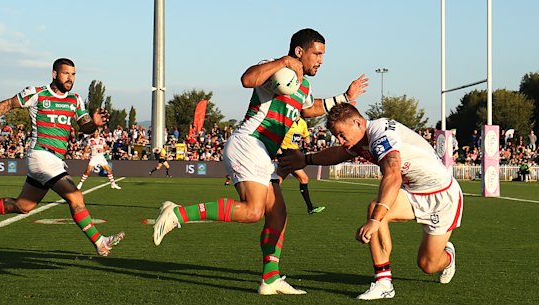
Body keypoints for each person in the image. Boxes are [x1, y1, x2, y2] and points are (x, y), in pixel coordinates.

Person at [152, 28, 368, 295]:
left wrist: (345, 97)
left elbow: (309, 108)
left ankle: (270, 278)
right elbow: (247, 79)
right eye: (317, 53)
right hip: (249, 142)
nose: (321, 60)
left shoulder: (304, 85)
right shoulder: (277, 70)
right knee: (253, 211)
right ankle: (177, 214)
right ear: (300, 51)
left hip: (264, 152)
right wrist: (283, 62)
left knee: (278, 214)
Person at [279, 103, 463, 300]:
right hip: (413, 192)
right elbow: (339, 154)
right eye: (336, 136)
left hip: (442, 197)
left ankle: (449, 256)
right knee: (375, 208)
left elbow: (393, 175)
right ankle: (384, 282)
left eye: (342, 134)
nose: (340, 140)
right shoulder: (360, 138)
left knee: (428, 265)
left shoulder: (381, 136)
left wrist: (375, 221)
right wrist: (307, 159)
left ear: (358, 122)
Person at [0, 58, 125, 256]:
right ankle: (100, 241)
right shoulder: (37, 93)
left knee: (23, 206)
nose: (70, 78)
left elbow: (86, 127)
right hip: (41, 155)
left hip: (55, 160)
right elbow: (7, 105)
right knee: (75, 196)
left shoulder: (75, 100)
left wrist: (96, 123)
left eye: (73, 74)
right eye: (66, 73)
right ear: (55, 74)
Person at [277, 116, 325, 214]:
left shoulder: (302, 122)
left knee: (277, 182)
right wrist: (277, 147)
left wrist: (308, 140)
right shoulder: (286, 120)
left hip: (294, 152)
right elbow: (276, 134)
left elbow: (305, 135)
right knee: (302, 179)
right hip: (286, 152)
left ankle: (262, 202)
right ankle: (310, 207)